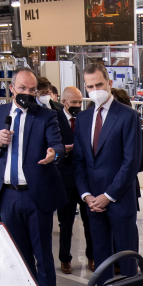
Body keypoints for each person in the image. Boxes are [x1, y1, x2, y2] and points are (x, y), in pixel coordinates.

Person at [0, 67, 66, 286]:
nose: (28, 93)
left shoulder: (46, 115)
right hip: (7, 195)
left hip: (35, 194)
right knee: (18, 255)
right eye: (23, 88)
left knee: (42, 255)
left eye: (32, 89)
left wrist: (53, 154)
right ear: (12, 89)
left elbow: (58, 145)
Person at [74, 62, 143, 284]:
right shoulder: (83, 119)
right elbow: (79, 161)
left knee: (127, 257)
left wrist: (108, 196)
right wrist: (86, 195)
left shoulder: (127, 116)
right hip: (93, 201)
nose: (95, 90)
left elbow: (131, 162)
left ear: (110, 84)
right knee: (101, 255)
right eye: (90, 86)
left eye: (99, 84)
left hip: (119, 199)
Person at [56, 85, 93, 274]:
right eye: (74, 102)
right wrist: (65, 149)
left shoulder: (85, 119)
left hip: (84, 178)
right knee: (66, 222)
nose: (78, 105)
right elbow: (52, 147)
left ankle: (92, 256)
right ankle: (65, 259)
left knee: (89, 220)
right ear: (64, 102)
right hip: (65, 179)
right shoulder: (55, 120)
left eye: (80, 102)